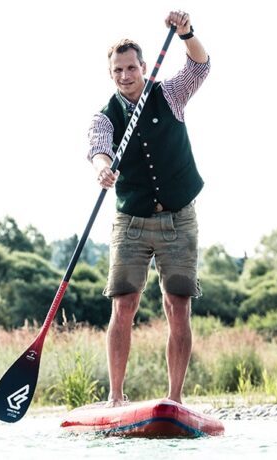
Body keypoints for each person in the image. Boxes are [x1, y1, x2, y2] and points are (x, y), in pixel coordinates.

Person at [87, 10, 210, 406]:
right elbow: (98, 148)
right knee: (124, 305)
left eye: (130, 67)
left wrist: (187, 32)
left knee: (178, 306)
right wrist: (104, 169)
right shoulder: (105, 115)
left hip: (178, 217)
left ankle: (174, 398)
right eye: (117, 70)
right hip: (131, 222)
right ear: (111, 74)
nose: (125, 75)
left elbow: (200, 65)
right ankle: (116, 397)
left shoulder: (169, 94)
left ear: (143, 66)